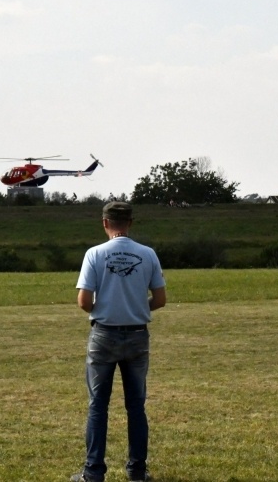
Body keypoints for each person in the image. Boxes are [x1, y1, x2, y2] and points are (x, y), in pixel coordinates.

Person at [72, 202, 167, 482]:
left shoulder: (94, 254)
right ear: (130, 223)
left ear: (105, 223)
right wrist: (134, 306)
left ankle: (93, 472)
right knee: (136, 405)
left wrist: (107, 308)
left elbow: (84, 301)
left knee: (98, 405)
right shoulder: (147, 254)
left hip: (103, 336)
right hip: (138, 335)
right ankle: (137, 471)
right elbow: (160, 300)